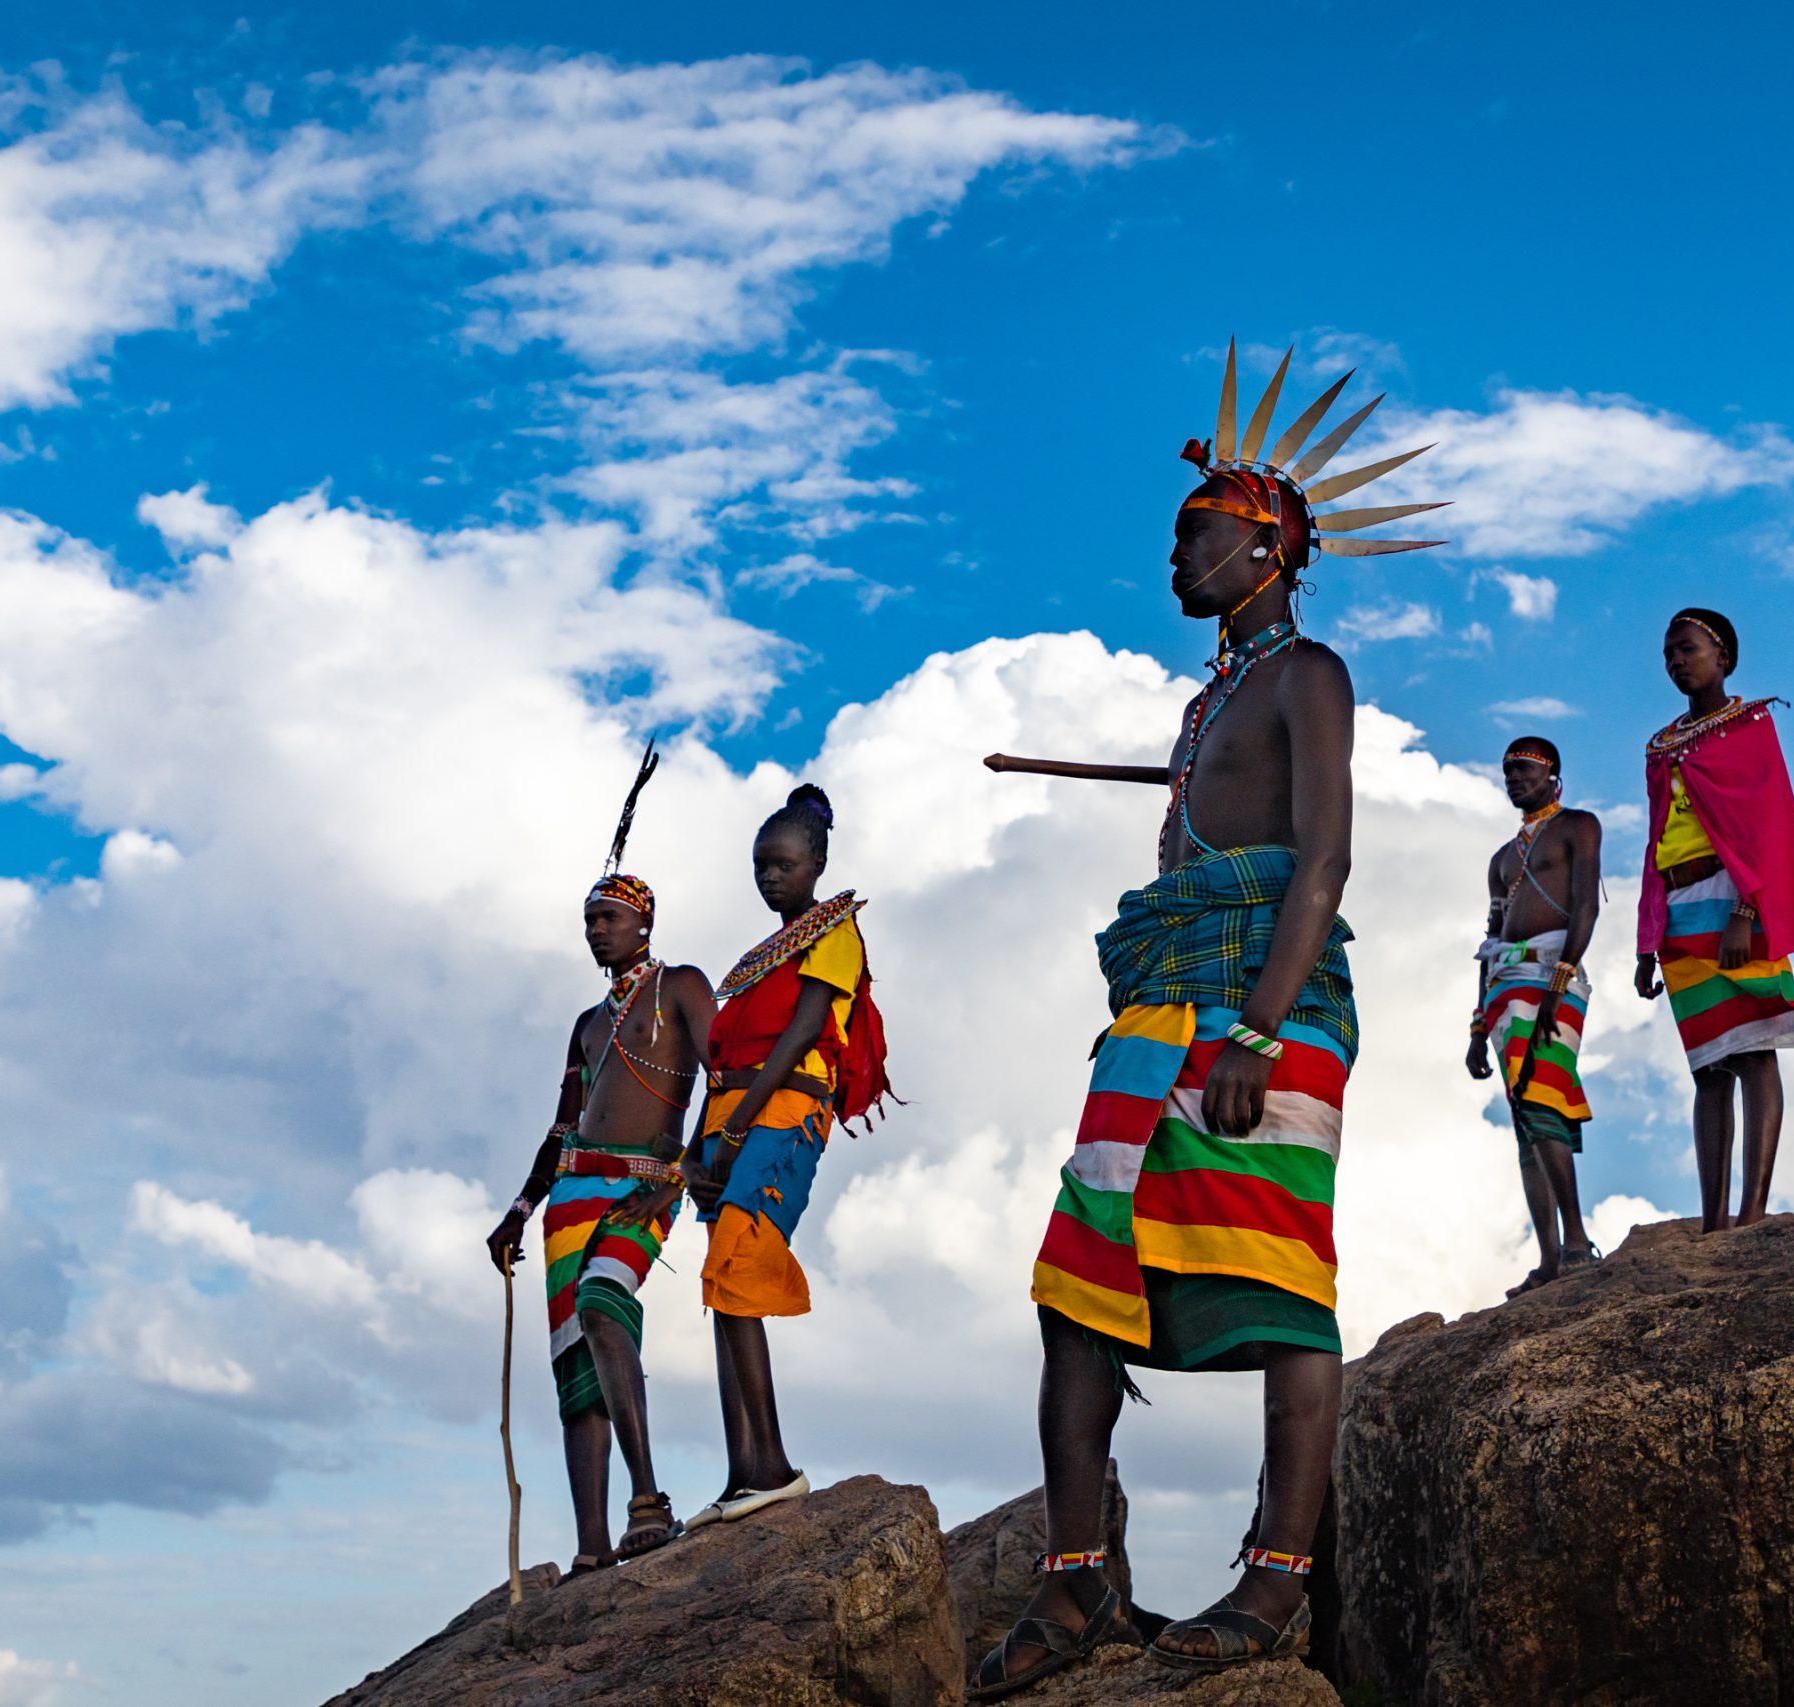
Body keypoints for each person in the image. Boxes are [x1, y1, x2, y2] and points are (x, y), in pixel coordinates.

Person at [972, 343, 1444, 1693]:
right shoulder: (1209, 700)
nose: (1177, 554)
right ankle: (1077, 1581)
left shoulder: (1313, 677)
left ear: (1268, 552)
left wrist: (1254, 1028)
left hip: (1261, 1004)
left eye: (1200, 534)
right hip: (1156, 1004)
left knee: (1282, 1282)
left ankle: (1278, 1579)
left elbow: (1325, 861)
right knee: (1077, 1284)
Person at [485, 746, 718, 1575]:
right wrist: (517, 1210)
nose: (595, 932)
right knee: (570, 1365)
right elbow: (558, 1129)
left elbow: (722, 1076)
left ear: (643, 924)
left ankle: (647, 1500)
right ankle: (590, 1548)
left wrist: (686, 1173)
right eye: (588, 920)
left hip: (643, 1187)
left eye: (607, 919)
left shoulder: (683, 985)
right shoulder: (587, 1022)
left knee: (603, 1299)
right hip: (570, 1196)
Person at [679, 783, 892, 1526]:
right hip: (728, 1117)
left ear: (818, 862)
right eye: (760, 864)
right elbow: (722, 1057)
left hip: (782, 1112)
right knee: (722, 1288)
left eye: (785, 862)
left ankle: (772, 1465)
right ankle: (743, 1471)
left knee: (738, 1264)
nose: (771, 875)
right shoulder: (756, 959)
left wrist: (736, 1131)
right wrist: (695, 1145)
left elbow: (804, 1030)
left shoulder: (836, 931)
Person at [1634, 610, 1794, 1231]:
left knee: (1757, 1050)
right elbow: (1656, 838)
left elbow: (1774, 819)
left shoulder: (1750, 726)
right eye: (1668, 654)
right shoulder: (1660, 744)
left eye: (1687, 649)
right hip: (1679, 908)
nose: (1677, 662)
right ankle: (1713, 1225)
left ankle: (1753, 1211)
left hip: (1737, 898)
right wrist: (1645, 938)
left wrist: (1745, 910)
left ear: (1726, 657)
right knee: (1708, 1064)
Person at [1465, 735, 1601, 1293]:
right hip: (1504, 984)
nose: (1513, 778)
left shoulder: (1578, 826)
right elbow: (1491, 937)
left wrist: (1561, 979)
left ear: (1552, 772)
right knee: (1525, 1114)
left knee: (1544, 1097)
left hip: (1552, 975)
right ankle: (1549, 1258)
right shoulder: (1501, 858)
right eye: (1506, 771)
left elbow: (1587, 904)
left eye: (1523, 768)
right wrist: (1476, 1027)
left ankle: (1575, 1242)